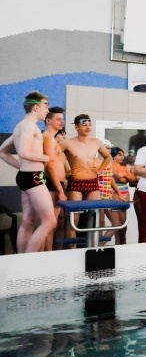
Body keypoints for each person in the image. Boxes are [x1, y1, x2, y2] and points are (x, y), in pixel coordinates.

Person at [0, 92, 57, 253]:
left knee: (28, 220)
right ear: (36, 107)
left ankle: (21, 259)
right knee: (50, 221)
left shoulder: (21, 125)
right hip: (33, 178)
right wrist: (44, 157)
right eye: (46, 105)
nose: (48, 109)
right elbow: (24, 152)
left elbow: (2, 151)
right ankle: (28, 260)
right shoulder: (29, 126)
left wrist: (21, 167)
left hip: (27, 176)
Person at [59, 114, 112, 239]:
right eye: (84, 125)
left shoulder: (96, 142)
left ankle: (91, 246)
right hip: (76, 182)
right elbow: (53, 157)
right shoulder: (67, 143)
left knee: (94, 216)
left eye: (89, 124)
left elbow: (108, 157)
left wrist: (99, 171)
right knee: (74, 217)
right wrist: (65, 172)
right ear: (76, 127)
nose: (88, 127)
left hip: (92, 182)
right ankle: (72, 248)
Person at [42, 106, 68, 250]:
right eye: (58, 119)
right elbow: (50, 166)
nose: (61, 122)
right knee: (49, 224)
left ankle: (50, 255)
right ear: (48, 120)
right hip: (52, 184)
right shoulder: (47, 138)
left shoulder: (52, 139)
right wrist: (60, 190)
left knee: (52, 224)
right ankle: (46, 257)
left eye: (62, 119)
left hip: (57, 184)